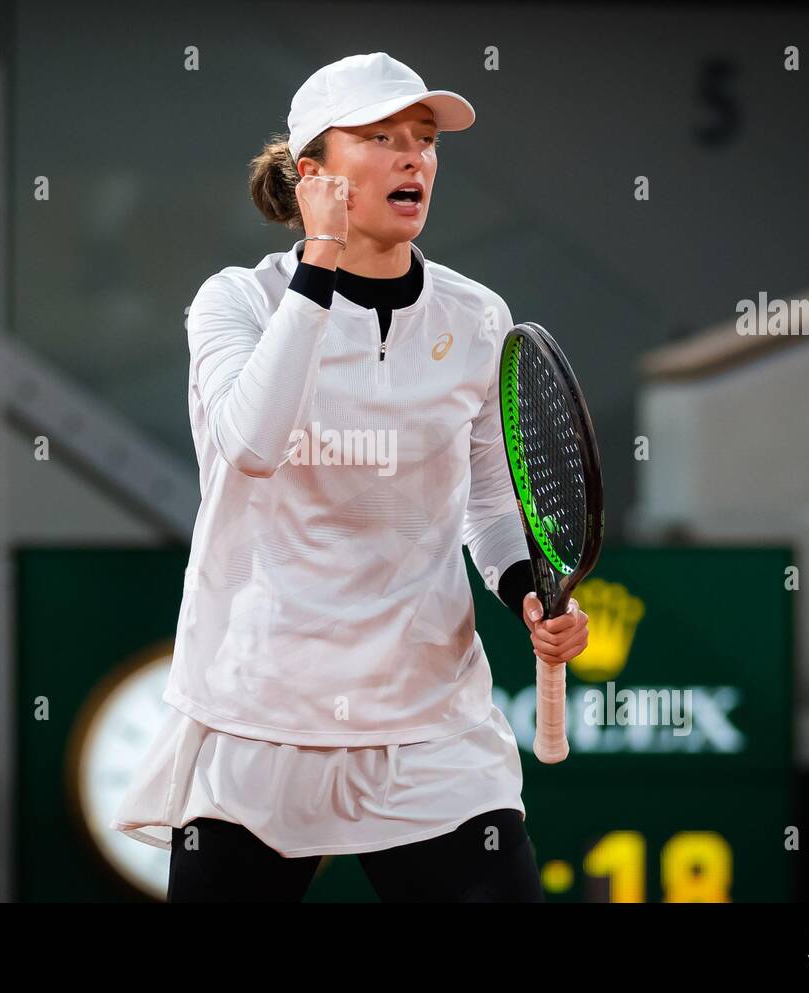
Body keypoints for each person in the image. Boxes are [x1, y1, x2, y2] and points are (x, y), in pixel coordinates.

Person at [112, 52, 589, 902]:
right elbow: (253, 444)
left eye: (426, 139)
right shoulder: (236, 303)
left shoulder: (477, 316)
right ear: (312, 175)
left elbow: (487, 495)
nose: (414, 157)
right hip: (256, 720)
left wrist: (524, 587)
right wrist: (320, 259)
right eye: (380, 137)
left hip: (429, 727)